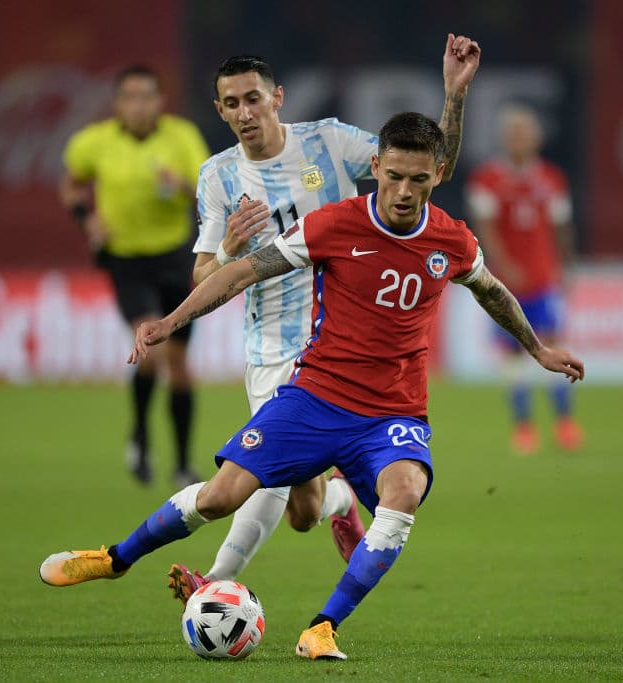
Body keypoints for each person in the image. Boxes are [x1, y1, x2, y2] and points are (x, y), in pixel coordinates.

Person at [40, 111, 584, 661]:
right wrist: (169, 323)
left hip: (394, 414)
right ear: (376, 166)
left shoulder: (452, 240)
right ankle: (114, 559)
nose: (403, 191)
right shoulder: (335, 224)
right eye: (393, 175)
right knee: (230, 497)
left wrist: (537, 348)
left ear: (437, 176)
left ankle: (322, 627)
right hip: (315, 398)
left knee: (403, 498)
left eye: (418, 180)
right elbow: (242, 271)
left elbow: (491, 291)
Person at [169, 35, 480, 592]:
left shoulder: (328, 143)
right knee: (304, 511)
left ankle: (214, 582)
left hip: (337, 345)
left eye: (253, 99)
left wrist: (453, 96)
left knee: (261, 482)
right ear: (219, 110)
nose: (245, 112)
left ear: (277, 97)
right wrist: (228, 254)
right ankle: (338, 499)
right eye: (232, 103)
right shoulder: (217, 176)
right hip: (270, 343)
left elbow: (432, 170)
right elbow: (203, 276)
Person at [59, 65, 210, 487]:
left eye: (147, 96)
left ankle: (181, 462)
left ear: (160, 101)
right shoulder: (94, 142)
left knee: (179, 364)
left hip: (175, 256)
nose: (139, 105)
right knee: (153, 352)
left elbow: (206, 191)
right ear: (118, 103)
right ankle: (142, 435)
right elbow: (71, 186)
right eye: (130, 97)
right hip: (125, 259)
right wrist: (86, 218)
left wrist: (180, 184)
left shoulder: (181, 137)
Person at [465, 103, 582, 454]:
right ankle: (524, 428)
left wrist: (567, 267)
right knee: (513, 355)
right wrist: (502, 263)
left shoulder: (552, 178)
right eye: (513, 133)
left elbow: (561, 228)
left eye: (525, 132)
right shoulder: (487, 179)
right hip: (503, 285)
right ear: (504, 139)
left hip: (543, 279)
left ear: (537, 138)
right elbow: (484, 227)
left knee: (554, 345)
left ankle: (565, 423)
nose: (519, 139)